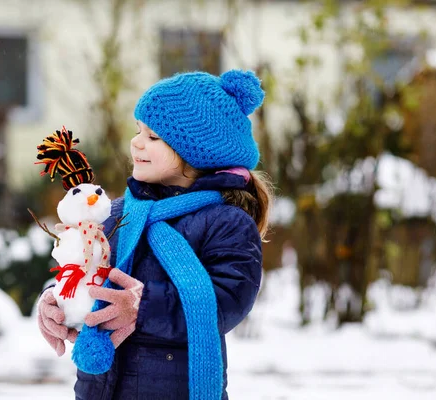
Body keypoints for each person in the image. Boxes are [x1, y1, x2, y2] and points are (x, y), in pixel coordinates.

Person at [37, 69, 273, 400]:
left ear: (195, 152)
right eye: (138, 131)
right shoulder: (120, 214)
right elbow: (89, 271)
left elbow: (229, 301)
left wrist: (143, 306)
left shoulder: (226, 223)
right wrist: (58, 301)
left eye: (153, 137)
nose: (136, 142)